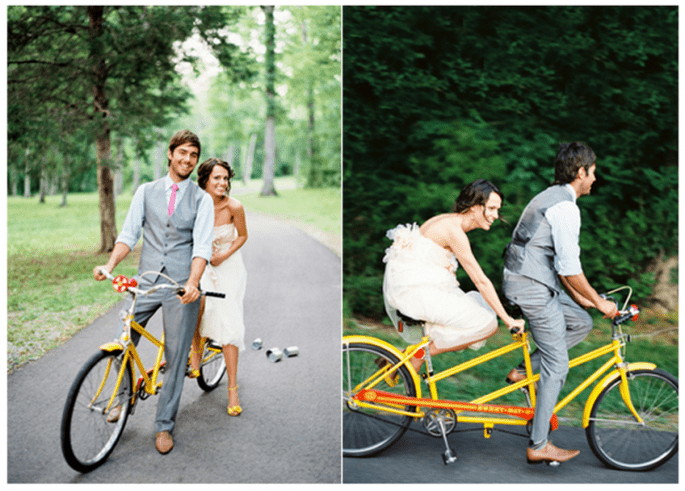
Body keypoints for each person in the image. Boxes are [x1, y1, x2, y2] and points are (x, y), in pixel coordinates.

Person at [93, 130, 214, 455]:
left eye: (193, 155)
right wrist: (110, 265)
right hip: (146, 280)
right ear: (171, 154)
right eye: (183, 153)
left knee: (176, 358)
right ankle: (122, 399)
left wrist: (193, 283)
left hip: (181, 288)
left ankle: (164, 426)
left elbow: (202, 246)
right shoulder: (146, 191)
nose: (188, 160)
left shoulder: (202, 200)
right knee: (123, 342)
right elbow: (129, 234)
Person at [502, 142, 617, 465]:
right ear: (581, 172)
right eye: (593, 172)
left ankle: (522, 371)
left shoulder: (548, 196)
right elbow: (569, 268)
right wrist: (600, 301)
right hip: (532, 288)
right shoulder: (566, 208)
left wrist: (583, 300)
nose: (595, 178)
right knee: (558, 365)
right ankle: (539, 443)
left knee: (581, 321)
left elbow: (556, 262)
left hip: (529, 279)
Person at [383, 179, 525, 373]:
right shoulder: (454, 231)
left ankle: (408, 356)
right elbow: (481, 281)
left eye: (497, 209)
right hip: (416, 294)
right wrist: (509, 321)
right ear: (475, 207)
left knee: (480, 314)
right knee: (487, 324)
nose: (495, 215)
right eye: (491, 208)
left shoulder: (447, 221)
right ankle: (417, 355)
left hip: (417, 289)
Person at [188, 158, 248, 417]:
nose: (223, 183)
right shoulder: (194, 204)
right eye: (217, 178)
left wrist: (223, 255)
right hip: (201, 264)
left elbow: (243, 235)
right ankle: (196, 351)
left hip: (228, 265)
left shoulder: (234, 206)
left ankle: (232, 388)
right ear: (205, 180)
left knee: (229, 324)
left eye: (225, 179)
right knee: (194, 300)